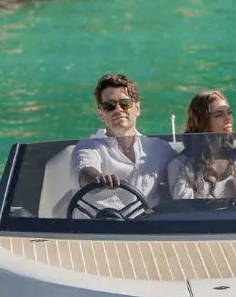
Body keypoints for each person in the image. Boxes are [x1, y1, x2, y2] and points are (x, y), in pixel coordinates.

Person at [69, 73, 175, 215]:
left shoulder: (159, 149)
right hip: (96, 230)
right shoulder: (88, 147)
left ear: (137, 108)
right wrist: (98, 180)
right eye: (109, 106)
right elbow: (85, 173)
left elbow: (184, 165)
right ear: (101, 114)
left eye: (125, 104)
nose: (118, 109)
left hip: (145, 231)